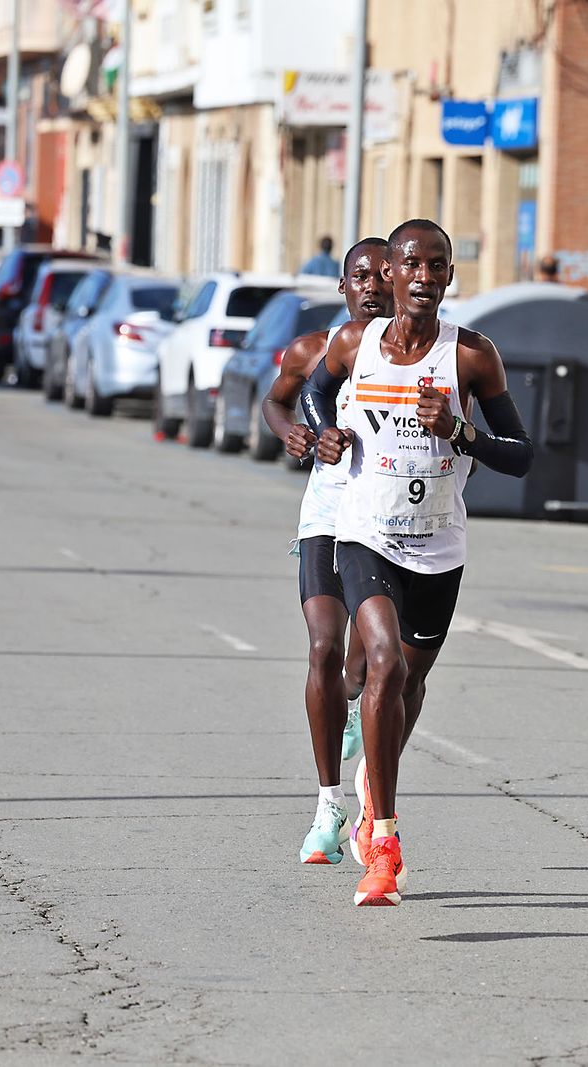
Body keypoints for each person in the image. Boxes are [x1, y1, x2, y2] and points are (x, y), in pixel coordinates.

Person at [302, 218, 534, 906]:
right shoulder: (356, 343)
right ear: (391, 273)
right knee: (384, 663)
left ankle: (373, 789)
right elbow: (315, 392)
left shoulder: (473, 356)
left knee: (408, 684)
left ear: (450, 275)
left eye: (438, 265)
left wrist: (460, 430)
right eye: (412, 264)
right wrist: (325, 432)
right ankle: (385, 841)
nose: (425, 277)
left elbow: (521, 454)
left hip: (438, 546)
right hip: (365, 533)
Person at [260, 236, 393, 865]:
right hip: (326, 515)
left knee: (362, 670)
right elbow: (277, 400)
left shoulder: (417, 358)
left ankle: (355, 717)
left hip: (386, 523)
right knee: (322, 646)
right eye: (359, 277)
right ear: (343, 288)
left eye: (382, 276)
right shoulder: (314, 350)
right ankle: (328, 806)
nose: (372, 287)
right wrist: (293, 433)